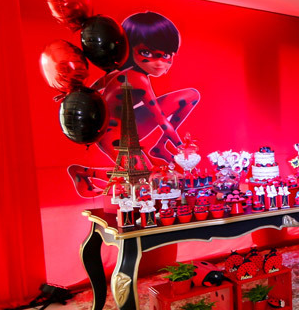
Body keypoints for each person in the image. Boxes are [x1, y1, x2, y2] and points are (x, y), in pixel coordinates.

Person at [68, 11, 201, 197]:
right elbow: (161, 120)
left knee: (191, 95)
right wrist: (182, 147)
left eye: (166, 55)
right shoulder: (138, 79)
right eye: (146, 53)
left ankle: (160, 147)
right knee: (143, 177)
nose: (159, 63)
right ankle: (84, 172)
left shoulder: (121, 72)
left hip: (131, 125)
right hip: (112, 133)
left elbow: (96, 86)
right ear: (129, 50)